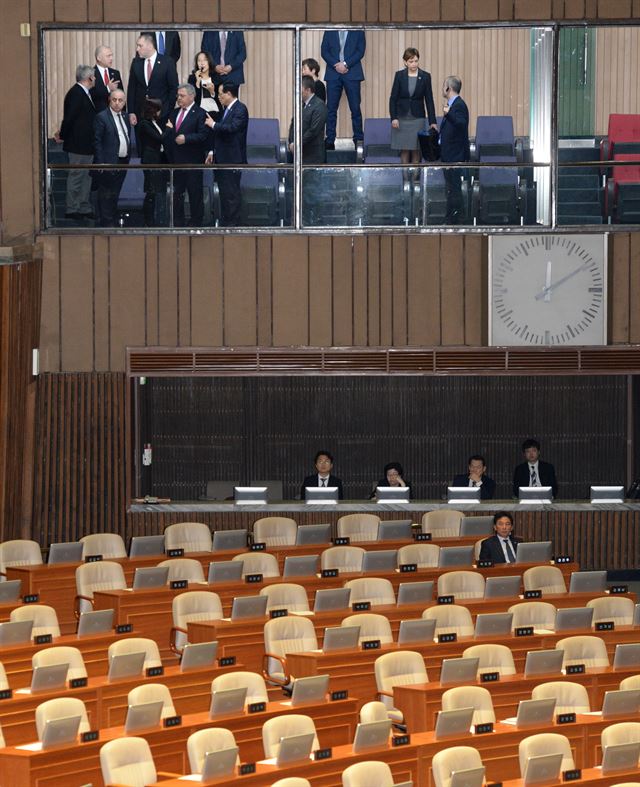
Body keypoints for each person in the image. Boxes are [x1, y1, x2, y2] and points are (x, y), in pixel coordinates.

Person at [163, 83, 209, 228]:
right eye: (178, 96)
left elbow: (203, 136)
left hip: (192, 161)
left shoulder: (200, 113)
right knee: (177, 195)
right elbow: (168, 135)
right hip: (175, 162)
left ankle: (196, 223)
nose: (178, 99)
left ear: (191, 96)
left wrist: (187, 138)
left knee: (195, 194)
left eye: (182, 96)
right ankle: (178, 223)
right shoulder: (174, 113)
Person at [55, 64, 97, 220]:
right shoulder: (76, 93)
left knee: (86, 177)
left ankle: (84, 207)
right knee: (77, 176)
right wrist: (63, 135)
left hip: (86, 145)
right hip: (77, 145)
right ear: (89, 78)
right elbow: (70, 118)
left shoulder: (84, 93)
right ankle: (72, 208)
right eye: (94, 76)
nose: (95, 79)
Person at [205, 83, 249, 228]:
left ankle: (233, 224)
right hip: (222, 158)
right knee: (224, 193)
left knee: (232, 194)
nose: (219, 97)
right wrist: (212, 151)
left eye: (220, 94)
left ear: (229, 94)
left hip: (233, 159)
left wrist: (214, 125)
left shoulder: (240, 109)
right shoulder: (226, 109)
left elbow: (233, 128)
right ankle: (226, 222)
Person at [389, 47, 437, 172]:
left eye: (416, 61)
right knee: (404, 150)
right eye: (411, 61)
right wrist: (393, 117)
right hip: (402, 118)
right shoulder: (399, 76)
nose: (414, 64)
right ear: (405, 62)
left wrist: (433, 121)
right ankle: (405, 181)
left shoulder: (425, 76)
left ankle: (415, 183)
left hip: (418, 118)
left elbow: (429, 100)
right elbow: (393, 98)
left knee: (416, 150)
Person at [321, 29, 366, 149]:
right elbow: (324, 51)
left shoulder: (358, 30)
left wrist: (345, 64)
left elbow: (360, 51)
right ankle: (330, 140)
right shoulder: (329, 30)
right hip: (333, 73)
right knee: (330, 109)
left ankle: (358, 140)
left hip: (352, 73)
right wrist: (336, 64)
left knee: (355, 108)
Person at [93, 89, 131, 227]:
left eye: (120, 100)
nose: (117, 103)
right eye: (114, 99)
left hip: (123, 162)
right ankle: (106, 224)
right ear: (109, 99)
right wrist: (101, 163)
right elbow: (97, 142)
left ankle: (113, 221)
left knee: (115, 194)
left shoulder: (126, 117)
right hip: (107, 163)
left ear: (124, 102)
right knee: (106, 195)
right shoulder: (102, 117)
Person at [127, 32, 179, 125]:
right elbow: (131, 89)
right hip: (140, 115)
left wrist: (166, 110)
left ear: (150, 46)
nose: (137, 49)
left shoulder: (167, 62)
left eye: (140, 46)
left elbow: (173, 88)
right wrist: (131, 112)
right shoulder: (136, 63)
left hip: (162, 115)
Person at [439, 75, 470, 224]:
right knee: (450, 188)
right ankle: (451, 216)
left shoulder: (459, 105)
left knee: (454, 188)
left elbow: (461, 124)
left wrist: (448, 114)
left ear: (448, 88)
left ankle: (456, 218)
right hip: (448, 154)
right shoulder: (453, 104)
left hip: (454, 155)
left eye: (444, 85)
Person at [136, 98, 168, 227]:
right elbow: (159, 138)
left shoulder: (155, 123)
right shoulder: (144, 123)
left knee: (155, 191)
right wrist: (169, 129)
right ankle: (148, 220)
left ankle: (154, 218)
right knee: (151, 190)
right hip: (150, 160)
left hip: (158, 160)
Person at [288, 76, 328, 164]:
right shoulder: (301, 105)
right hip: (299, 155)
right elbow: (293, 125)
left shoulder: (319, 105)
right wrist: (291, 142)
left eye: (299, 88)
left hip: (313, 156)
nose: (297, 92)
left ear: (308, 90)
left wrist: (297, 143)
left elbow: (314, 130)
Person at [200, 29, 247, 98]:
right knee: (215, 106)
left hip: (232, 76)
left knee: (231, 106)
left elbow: (242, 54)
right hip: (214, 76)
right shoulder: (209, 32)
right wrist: (215, 66)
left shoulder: (237, 31)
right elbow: (205, 52)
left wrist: (231, 66)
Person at [188, 51, 222, 120]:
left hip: (215, 111)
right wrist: (197, 82)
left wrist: (212, 92)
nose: (202, 63)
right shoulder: (192, 78)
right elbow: (191, 99)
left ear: (209, 62)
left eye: (205, 60)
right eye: (199, 61)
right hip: (199, 113)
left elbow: (221, 99)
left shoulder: (216, 77)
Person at [91, 45, 123, 114]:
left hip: (115, 114)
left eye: (112, 55)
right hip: (98, 115)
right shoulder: (91, 74)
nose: (111, 58)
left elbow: (121, 95)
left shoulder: (115, 73)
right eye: (108, 56)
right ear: (99, 58)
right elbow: (92, 94)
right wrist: (108, 88)